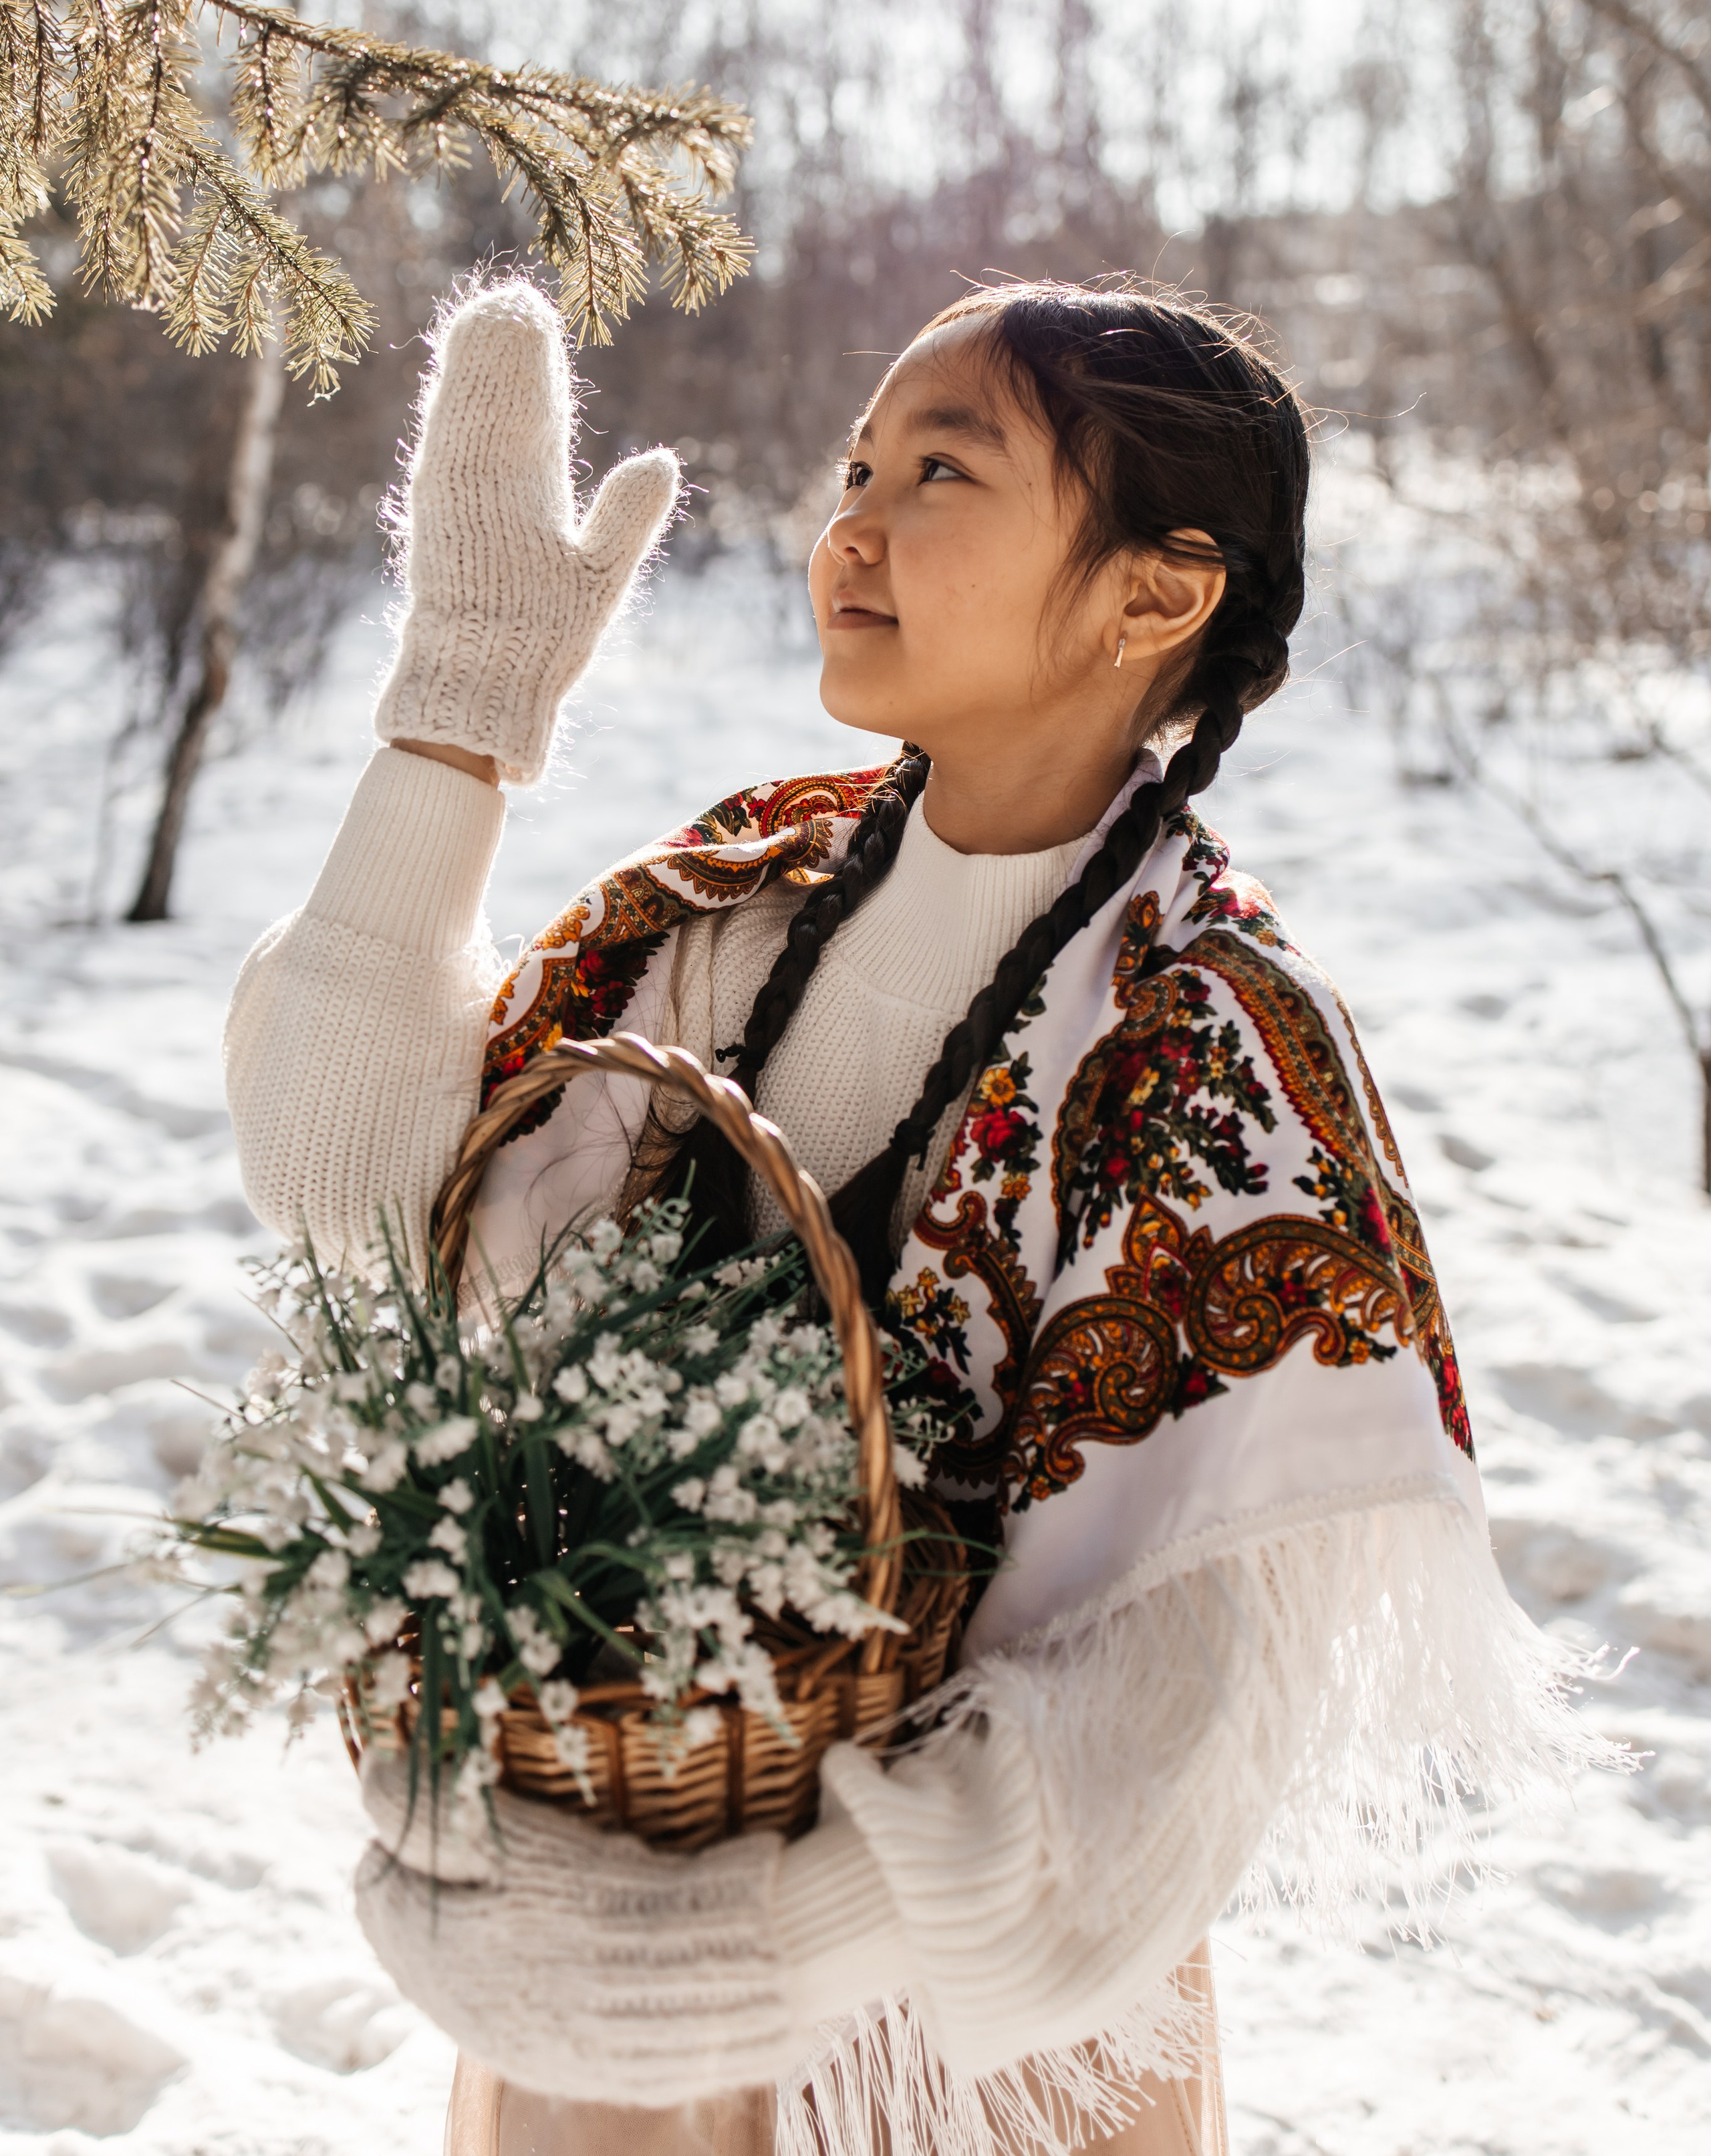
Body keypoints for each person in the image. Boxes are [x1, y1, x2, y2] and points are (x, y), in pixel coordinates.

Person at [225, 276, 1595, 2156]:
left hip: (974, 2037)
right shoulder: (743, 902)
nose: (846, 521)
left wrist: (793, 1935)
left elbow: (1180, 1706)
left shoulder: (1211, 1041)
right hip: (625, 1952)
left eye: (942, 468)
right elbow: (352, 1193)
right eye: (855, 460)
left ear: (1155, 592)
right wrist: (454, 724)